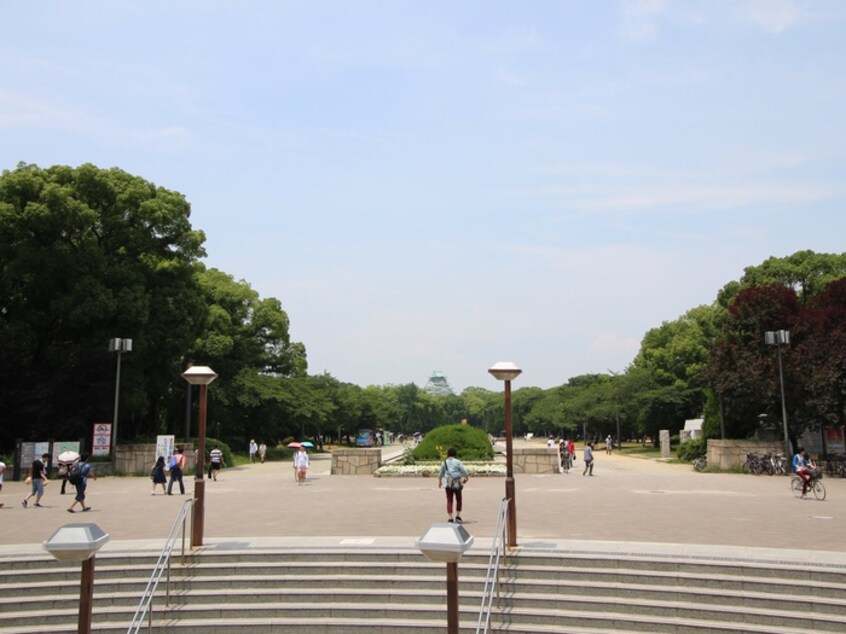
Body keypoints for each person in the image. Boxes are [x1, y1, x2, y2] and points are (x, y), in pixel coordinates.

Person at [438, 447, 469, 523]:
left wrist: (439, 481)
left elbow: (441, 473)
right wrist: (466, 477)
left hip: (448, 483)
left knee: (449, 500)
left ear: (448, 454)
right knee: (459, 499)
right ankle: (458, 516)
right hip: (457, 483)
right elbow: (464, 471)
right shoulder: (458, 462)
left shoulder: (444, 462)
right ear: (455, 454)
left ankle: (450, 518)